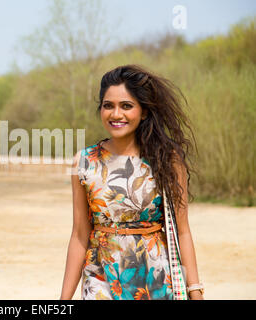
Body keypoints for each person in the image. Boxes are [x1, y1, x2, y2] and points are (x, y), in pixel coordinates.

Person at [60, 65, 204, 300]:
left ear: (144, 112)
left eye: (126, 106)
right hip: (100, 278)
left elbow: (182, 231)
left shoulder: (166, 159)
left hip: (154, 279)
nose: (116, 114)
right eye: (108, 106)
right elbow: (79, 234)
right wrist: (63, 300)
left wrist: (195, 290)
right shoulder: (85, 161)